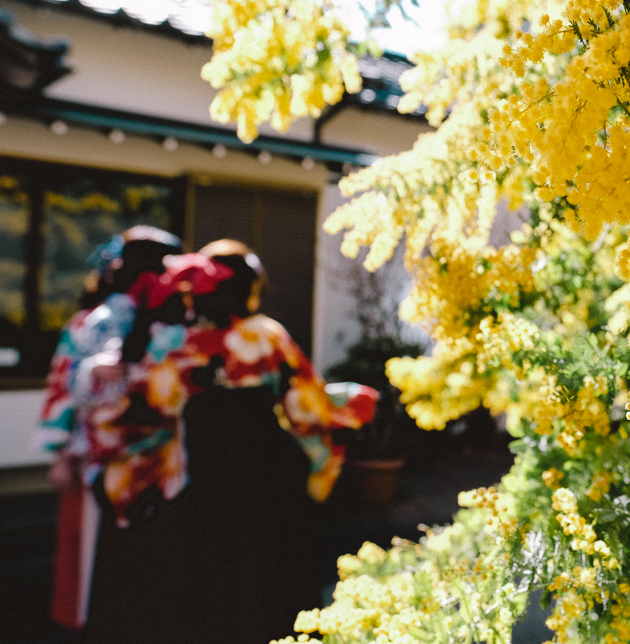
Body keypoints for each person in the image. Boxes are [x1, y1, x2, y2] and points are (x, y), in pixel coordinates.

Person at [83, 248, 378, 644]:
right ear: (249, 291)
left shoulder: (177, 342)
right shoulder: (267, 334)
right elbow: (305, 408)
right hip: (264, 472)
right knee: (269, 565)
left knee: (203, 571)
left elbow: (148, 409)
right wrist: (348, 404)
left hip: (197, 472)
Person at [36, 226, 182, 631]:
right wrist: (64, 451)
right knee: (95, 557)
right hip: (107, 457)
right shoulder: (95, 321)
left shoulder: (173, 321)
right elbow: (65, 385)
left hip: (149, 454)